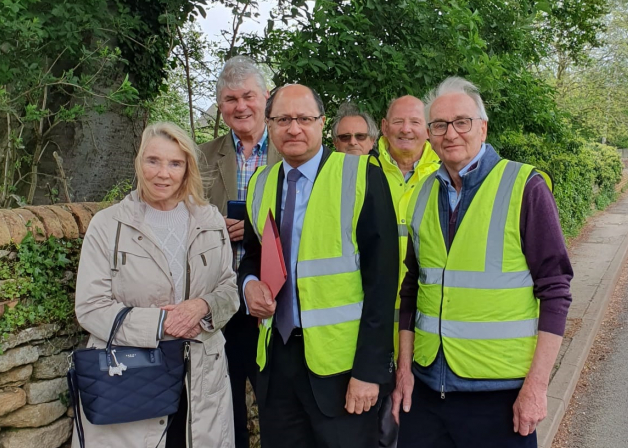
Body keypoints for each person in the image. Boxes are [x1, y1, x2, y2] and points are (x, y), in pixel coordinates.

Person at [392, 78, 573, 448]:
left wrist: (537, 388)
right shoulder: (424, 192)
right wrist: (404, 372)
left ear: (483, 126)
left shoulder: (525, 186)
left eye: (462, 122)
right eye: (439, 125)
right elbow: (411, 290)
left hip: (500, 397)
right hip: (426, 394)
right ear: (429, 134)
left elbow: (555, 291)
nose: (450, 133)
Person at [238, 84, 399, 448]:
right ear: (269, 124)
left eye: (304, 119)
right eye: (282, 119)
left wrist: (369, 373)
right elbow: (251, 255)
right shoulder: (260, 184)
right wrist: (248, 284)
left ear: (322, 124)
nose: (293, 128)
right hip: (277, 364)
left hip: (341, 372)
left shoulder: (361, 176)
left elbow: (383, 282)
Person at [74, 122, 239, 448]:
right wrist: (163, 323)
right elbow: (91, 307)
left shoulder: (209, 221)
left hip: (201, 380)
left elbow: (228, 289)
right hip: (131, 379)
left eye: (175, 163)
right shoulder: (108, 225)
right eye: (153, 161)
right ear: (139, 162)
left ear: (187, 167)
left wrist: (201, 307)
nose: (163, 173)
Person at [198, 55, 281, 448]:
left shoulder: (291, 149)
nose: (241, 106)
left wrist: (251, 231)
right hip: (218, 301)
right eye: (230, 99)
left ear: (266, 97)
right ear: (220, 106)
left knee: (278, 405)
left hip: (273, 301)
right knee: (223, 408)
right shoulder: (200, 157)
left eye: (248, 95)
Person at [374, 95, 441, 448]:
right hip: (373, 325)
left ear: (428, 130)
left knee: (417, 428)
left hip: (425, 326)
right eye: (398, 122)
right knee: (377, 431)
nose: (406, 129)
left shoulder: (446, 173)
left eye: (415, 122)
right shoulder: (362, 173)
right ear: (384, 128)